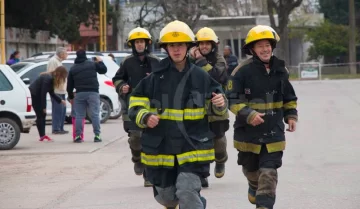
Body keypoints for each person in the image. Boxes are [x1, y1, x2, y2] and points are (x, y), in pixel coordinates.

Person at [128, 20, 228, 209]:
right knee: (167, 198)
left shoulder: (201, 75)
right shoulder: (154, 78)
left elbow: (218, 100)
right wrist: (145, 116)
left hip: (193, 147)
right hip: (162, 149)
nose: (176, 49)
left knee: (186, 191)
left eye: (180, 45)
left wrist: (220, 104)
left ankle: (193, 202)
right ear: (166, 48)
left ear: (188, 46)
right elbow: (135, 101)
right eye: (172, 45)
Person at [226, 25, 298, 209]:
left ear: (272, 46)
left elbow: (289, 97)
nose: (265, 49)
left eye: (268, 45)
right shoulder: (240, 72)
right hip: (248, 134)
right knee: (251, 171)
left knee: (269, 172)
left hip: (274, 132)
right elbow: (232, 99)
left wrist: (291, 115)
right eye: (260, 46)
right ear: (252, 49)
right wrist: (248, 115)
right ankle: (252, 185)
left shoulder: (282, 70)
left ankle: (264, 205)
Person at [112, 27, 160, 187]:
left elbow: (165, 80)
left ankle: (148, 175)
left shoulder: (155, 61)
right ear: (132, 44)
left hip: (152, 108)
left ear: (147, 43)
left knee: (150, 140)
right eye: (137, 42)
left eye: (142, 42)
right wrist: (122, 86)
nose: (140, 45)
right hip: (132, 106)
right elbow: (117, 78)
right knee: (135, 137)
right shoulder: (127, 62)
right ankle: (137, 158)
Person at [189, 27, 229, 187]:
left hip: (216, 105)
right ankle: (202, 175)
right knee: (199, 142)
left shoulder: (220, 60)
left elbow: (215, 78)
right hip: (196, 106)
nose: (204, 46)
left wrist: (200, 61)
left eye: (207, 43)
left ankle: (220, 160)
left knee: (218, 139)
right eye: (201, 43)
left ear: (213, 45)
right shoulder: (190, 59)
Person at [67, 50, 107, 143]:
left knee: (79, 116)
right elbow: (103, 70)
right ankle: (97, 136)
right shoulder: (92, 64)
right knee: (95, 115)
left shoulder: (73, 68)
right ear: (85, 56)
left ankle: (78, 136)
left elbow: (69, 86)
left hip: (80, 93)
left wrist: (71, 97)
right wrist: (100, 61)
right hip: (93, 92)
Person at [29, 66, 67, 141]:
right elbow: (43, 93)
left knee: (42, 115)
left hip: (38, 95)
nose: (62, 79)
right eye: (62, 76)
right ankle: (42, 135)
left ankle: (42, 135)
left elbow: (51, 92)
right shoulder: (48, 78)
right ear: (59, 74)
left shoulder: (52, 78)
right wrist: (44, 107)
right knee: (41, 114)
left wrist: (60, 100)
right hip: (34, 95)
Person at [47, 47, 69, 134]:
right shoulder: (53, 61)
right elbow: (52, 74)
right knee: (57, 110)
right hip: (56, 90)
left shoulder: (59, 61)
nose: (67, 55)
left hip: (62, 90)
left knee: (62, 110)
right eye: (66, 53)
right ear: (61, 54)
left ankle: (60, 127)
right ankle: (56, 128)